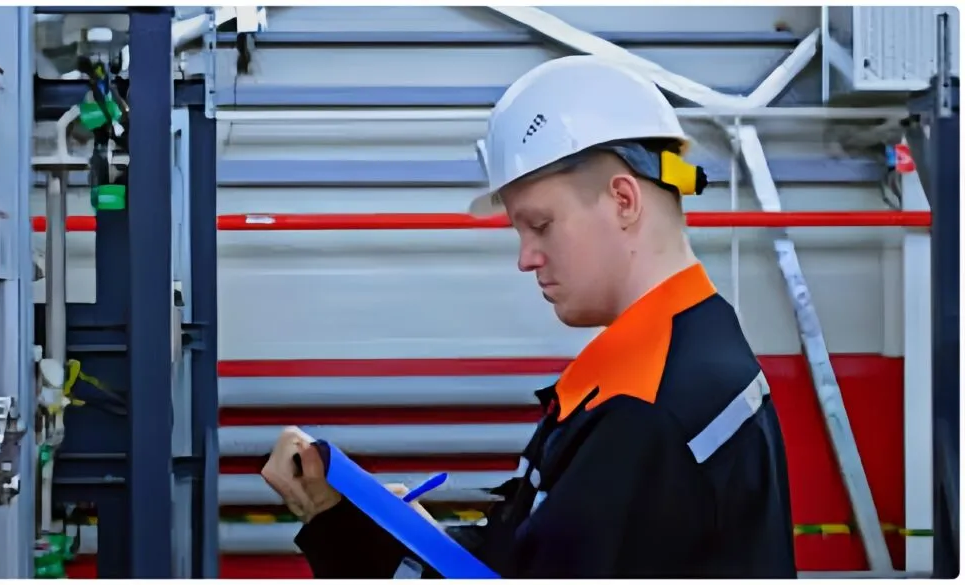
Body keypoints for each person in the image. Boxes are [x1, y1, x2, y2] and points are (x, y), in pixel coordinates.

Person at [261, 55, 798, 579]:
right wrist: (400, 529)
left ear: (624, 201)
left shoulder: (646, 412)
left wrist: (338, 530)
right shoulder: (688, 347)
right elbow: (528, 555)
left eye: (540, 225)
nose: (526, 257)